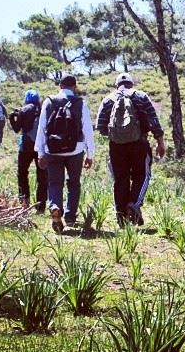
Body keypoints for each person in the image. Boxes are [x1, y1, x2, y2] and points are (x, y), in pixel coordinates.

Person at [95, 72, 165, 226]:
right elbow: (153, 120)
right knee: (142, 176)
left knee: (120, 179)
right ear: (131, 84)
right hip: (139, 144)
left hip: (116, 147)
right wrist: (160, 141)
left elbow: (100, 126)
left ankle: (121, 214)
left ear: (116, 85)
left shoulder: (108, 100)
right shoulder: (141, 96)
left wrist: (117, 135)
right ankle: (133, 205)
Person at [36, 74, 94, 233]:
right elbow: (88, 130)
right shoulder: (81, 103)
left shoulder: (48, 101)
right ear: (74, 87)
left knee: (54, 182)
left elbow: (41, 129)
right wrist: (90, 154)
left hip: (52, 150)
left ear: (60, 86)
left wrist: (40, 152)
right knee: (74, 182)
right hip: (75, 149)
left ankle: (55, 206)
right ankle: (69, 217)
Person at [9, 90, 47, 212]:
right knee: (42, 176)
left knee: (22, 173)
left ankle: (24, 202)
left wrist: (11, 117)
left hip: (26, 146)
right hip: (41, 147)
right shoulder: (43, 110)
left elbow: (16, 129)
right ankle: (40, 206)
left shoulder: (23, 110)